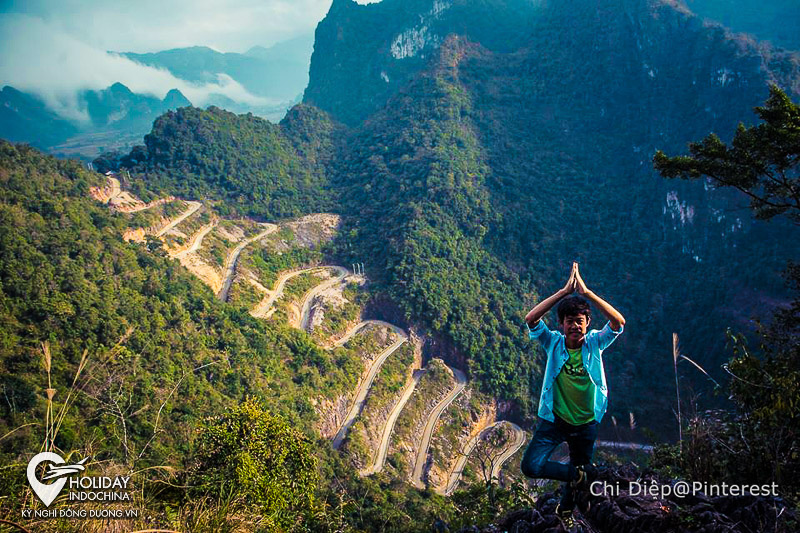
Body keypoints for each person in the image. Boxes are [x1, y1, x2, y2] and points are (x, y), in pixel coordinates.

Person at [521, 262, 625, 529]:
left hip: (586, 423)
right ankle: (578, 475)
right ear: (561, 324)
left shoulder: (595, 343)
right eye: (570, 321)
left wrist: (587, 293)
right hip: (555, 420)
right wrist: (563, 292)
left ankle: (566, 508)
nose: (575, 326)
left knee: (579, 475)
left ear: (588, 323)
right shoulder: (553, 342)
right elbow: (531, 319)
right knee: (531, 466)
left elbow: (618, 322)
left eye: (580, 321)